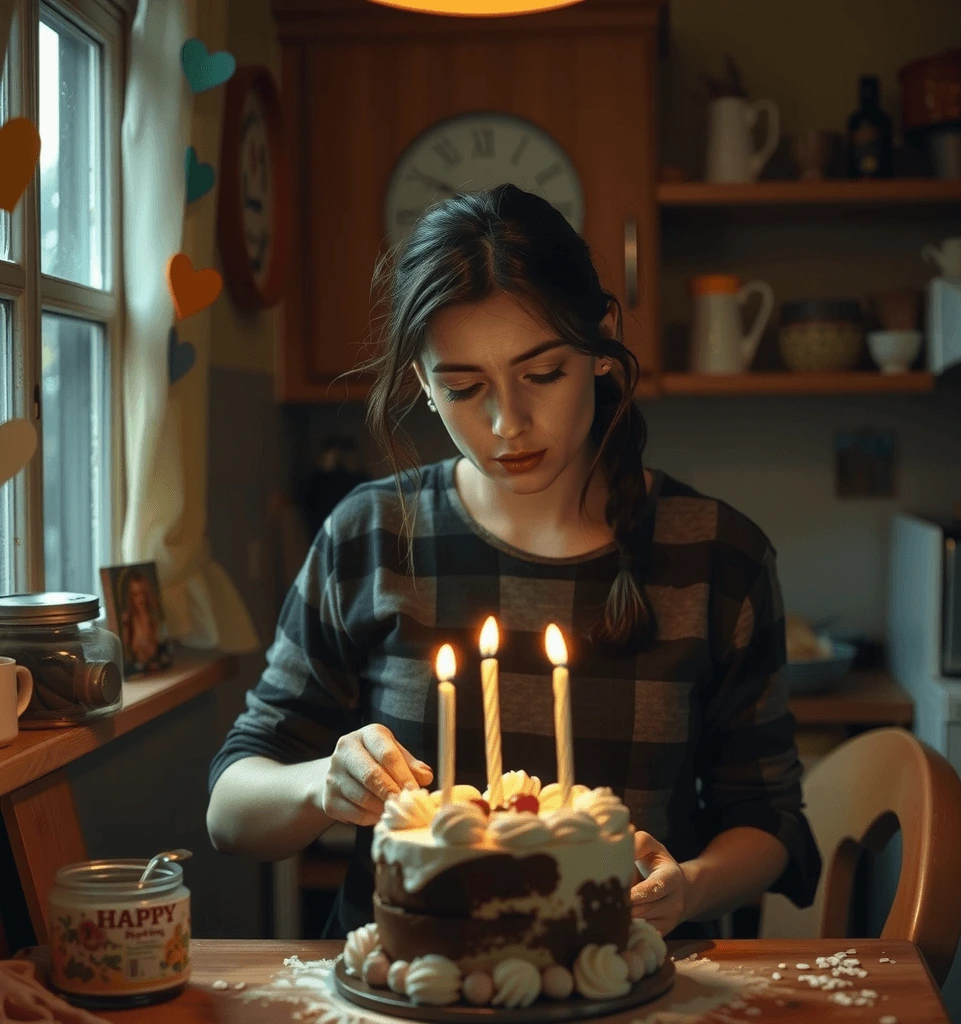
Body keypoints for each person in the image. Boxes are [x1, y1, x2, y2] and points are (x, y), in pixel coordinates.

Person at [207, 184, 821, 941]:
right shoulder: (370, 535)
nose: (507, 423)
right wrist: (318, 786)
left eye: (543, 374)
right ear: (424, 390)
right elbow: (231, 811)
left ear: (600, 344)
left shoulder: (716, 556)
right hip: (407, 986)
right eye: (464, 387)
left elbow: (767, 817)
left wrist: (688, 888)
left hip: (626, 977)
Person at [119, 569, 164, 673]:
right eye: (135, 594)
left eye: (142, 593)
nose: (140, 598)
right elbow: (127, 650)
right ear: (131, 597)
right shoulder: (128, 622)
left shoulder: (154, 619)